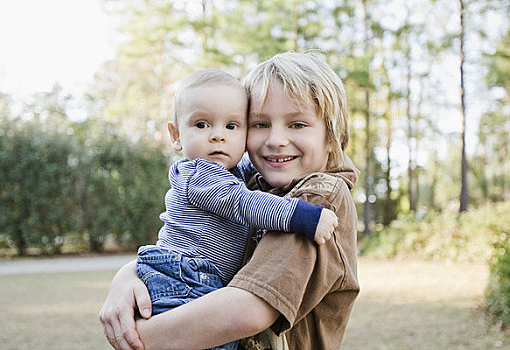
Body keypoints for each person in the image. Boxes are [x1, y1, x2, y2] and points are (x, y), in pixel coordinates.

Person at [99, 51, 360, 350]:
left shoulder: (319, 197)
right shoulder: (251, 184)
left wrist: (139, 339)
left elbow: (249, 309)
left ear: (331, 136)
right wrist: (128, 276)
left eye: (297, 124)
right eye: (260, 124)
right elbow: (188, 243)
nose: (275, 140)